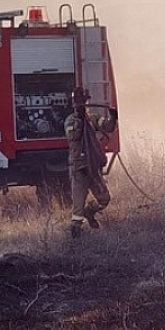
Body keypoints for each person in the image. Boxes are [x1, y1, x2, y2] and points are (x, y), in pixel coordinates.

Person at [64, 86, 118, 238]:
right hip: (79, 170)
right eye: (78, 103)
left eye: (83, 102)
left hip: (93, 169)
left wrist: (113, 118)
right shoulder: (70, 121)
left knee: (104, 199)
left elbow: (107, 127)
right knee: (77, 211)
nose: (81, 106)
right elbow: (73, 136)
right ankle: (76, 240)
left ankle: (90, 212)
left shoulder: (92, 119)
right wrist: (79, 120)